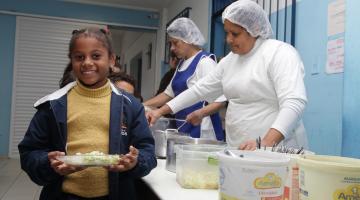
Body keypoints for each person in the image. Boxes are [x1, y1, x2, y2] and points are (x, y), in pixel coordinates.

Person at [147, 0, 308, 150]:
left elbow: (294, 103)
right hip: (239, 148)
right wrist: (159, 111)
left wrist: (265, 143)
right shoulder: (229, 62)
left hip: (275, 149)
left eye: (235, 34)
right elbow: (199, 90)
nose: (228, 39)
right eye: (227, 33)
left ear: (255, 29)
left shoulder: (279, 53)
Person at [18, 27, 157, 200]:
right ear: (71, 61)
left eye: (96, 56)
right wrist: (47, 162)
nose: (87, 62)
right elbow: (29, 152)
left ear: (111, 60)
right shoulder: (53, 105)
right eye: (79, 57)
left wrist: (136, 162)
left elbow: (148, 152)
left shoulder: (131, 106)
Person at [143, 17, 226, 141]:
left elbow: (221, 100)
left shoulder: (205, 62)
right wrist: (142, 106)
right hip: (184, 127)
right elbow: (168, 94)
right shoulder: (181, 64)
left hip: (204, 131)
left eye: (175, 43)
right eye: (170, 43)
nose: (171, 48)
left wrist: (201, 113)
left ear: (189, 40)